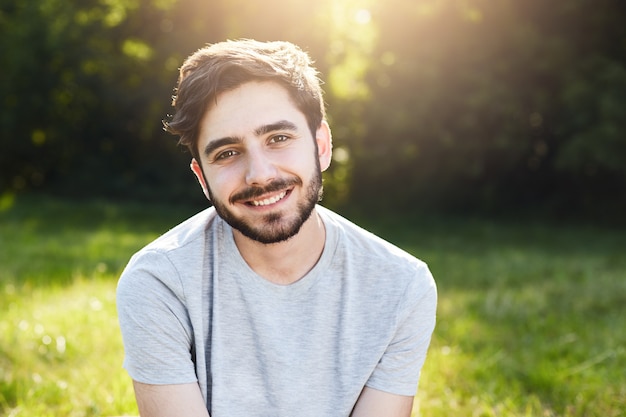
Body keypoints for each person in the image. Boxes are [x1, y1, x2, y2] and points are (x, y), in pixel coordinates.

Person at [117, 39, 437, 417]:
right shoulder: (159, 282)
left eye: (279, 139)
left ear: (321, 146)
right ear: (202, 179)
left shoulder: (401, 285)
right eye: (227, 153)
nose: (260, 174)